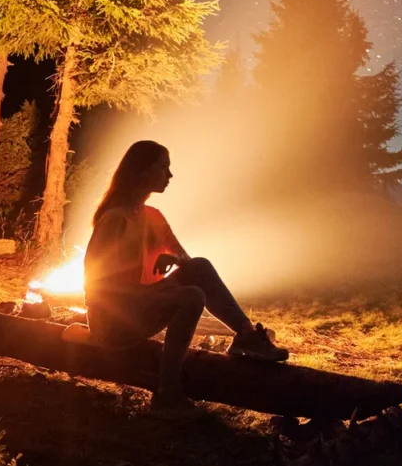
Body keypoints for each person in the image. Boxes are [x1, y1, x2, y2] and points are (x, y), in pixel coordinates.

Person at [83, 140, 287, 413]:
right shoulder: (115, 219)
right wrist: (148, 293)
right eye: (163, 167)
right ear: (142, 171)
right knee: (191, 297)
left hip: (141, 307)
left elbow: (190, 265)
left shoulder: (153, 216)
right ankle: (167, 394)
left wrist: (175, 260)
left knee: (200, 267)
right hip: (112, 322)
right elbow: (93, 282)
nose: (169, 175)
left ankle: (246, 335)